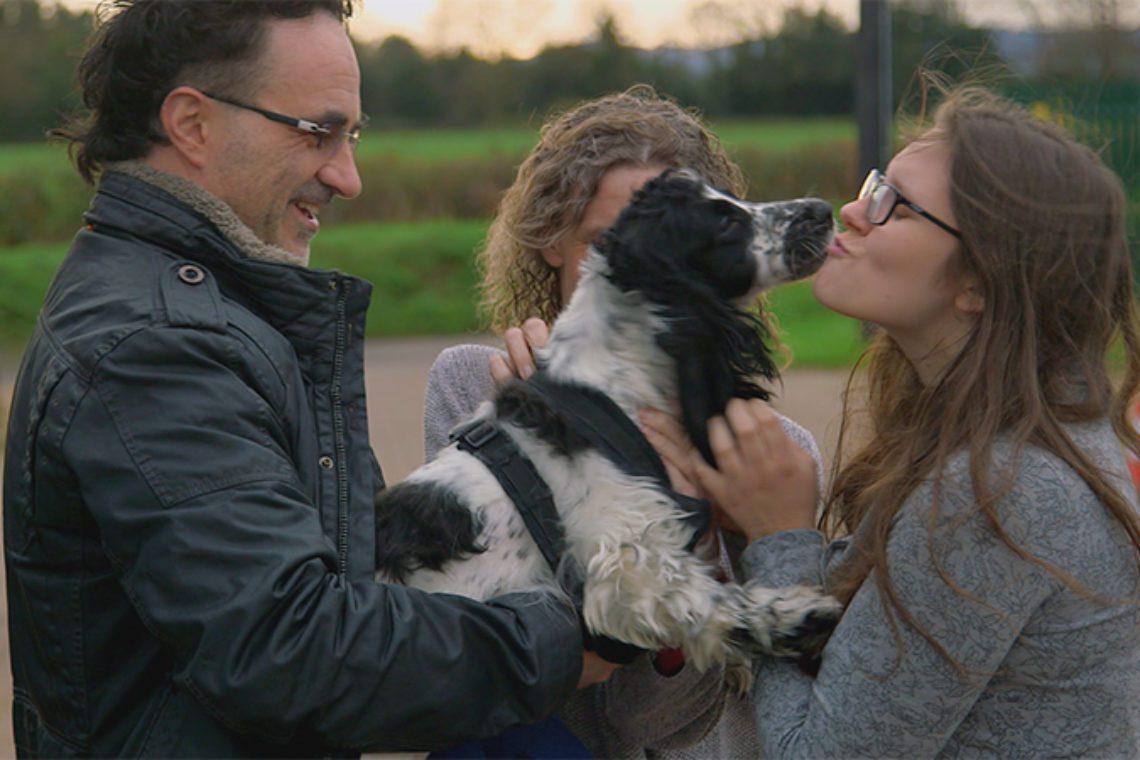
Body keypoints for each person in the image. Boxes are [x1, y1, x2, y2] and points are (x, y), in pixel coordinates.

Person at [1, 2, 616, 756]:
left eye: (350, 135)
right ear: (192, 124)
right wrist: (585, 629)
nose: (346, 176)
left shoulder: (218, 311)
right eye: (317, 131)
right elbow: (293, 651)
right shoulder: (158, 346)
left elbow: (351, 585)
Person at [643, 85, 1140, 756]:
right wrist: (744, 521)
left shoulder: (999, 493)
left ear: (981, 282)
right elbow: (857, 673)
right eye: (876, 183)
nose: (852, 209)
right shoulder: (1010, 447)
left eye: (894, 205)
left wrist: (779, 537)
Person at [423, 86, 824, 759]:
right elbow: (473, 668)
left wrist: (693, 535)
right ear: (550, 239)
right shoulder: (473, 386)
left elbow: (647, 729)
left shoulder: (775, 461)